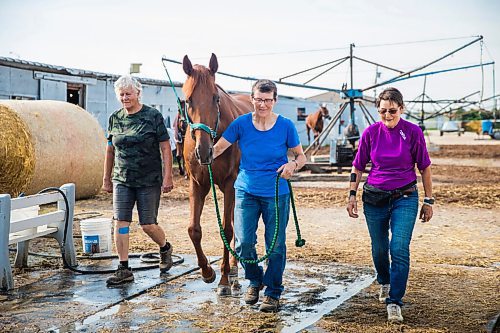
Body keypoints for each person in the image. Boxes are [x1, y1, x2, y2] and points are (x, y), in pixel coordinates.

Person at [213, 79, 306, 312]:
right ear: (252, 99)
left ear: (274, 101)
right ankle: (255, 281)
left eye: (267, 100)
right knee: (244, 243)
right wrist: (204, 152)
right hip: (246, 191)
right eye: (258, 99)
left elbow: (301, 157)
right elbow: (219, 147)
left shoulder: (285, 126)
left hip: (276, 192)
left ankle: (273, 292)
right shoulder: (241, 124)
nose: (262, 104)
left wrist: (292, 166)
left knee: (275, 246)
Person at [346, 87, 434, 323]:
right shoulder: (370, 133)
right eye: (383, 111)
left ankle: (394, 301)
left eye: (392, 111)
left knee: (399, 248)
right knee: (379, 248)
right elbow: (358, 166)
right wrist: (351, 194)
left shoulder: (413, 132)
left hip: (405, 197)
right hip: (374, 199)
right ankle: (384, 280)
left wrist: (428, 199)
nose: (387, 115)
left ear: (401, 109)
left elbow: (424, 167)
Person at [102, 75, 174, 285]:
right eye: (121, 94)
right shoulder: (115, 118)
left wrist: (168, 175)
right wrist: (106, 177)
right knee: (120, 223)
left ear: (138, 94)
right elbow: (110, 150)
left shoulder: (152, 116)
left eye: (128, 94)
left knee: (148, 224)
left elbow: (165, 147)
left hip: (148, 180)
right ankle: (123, 268)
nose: (125, 98)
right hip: (122, 179)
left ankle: (165, 247)